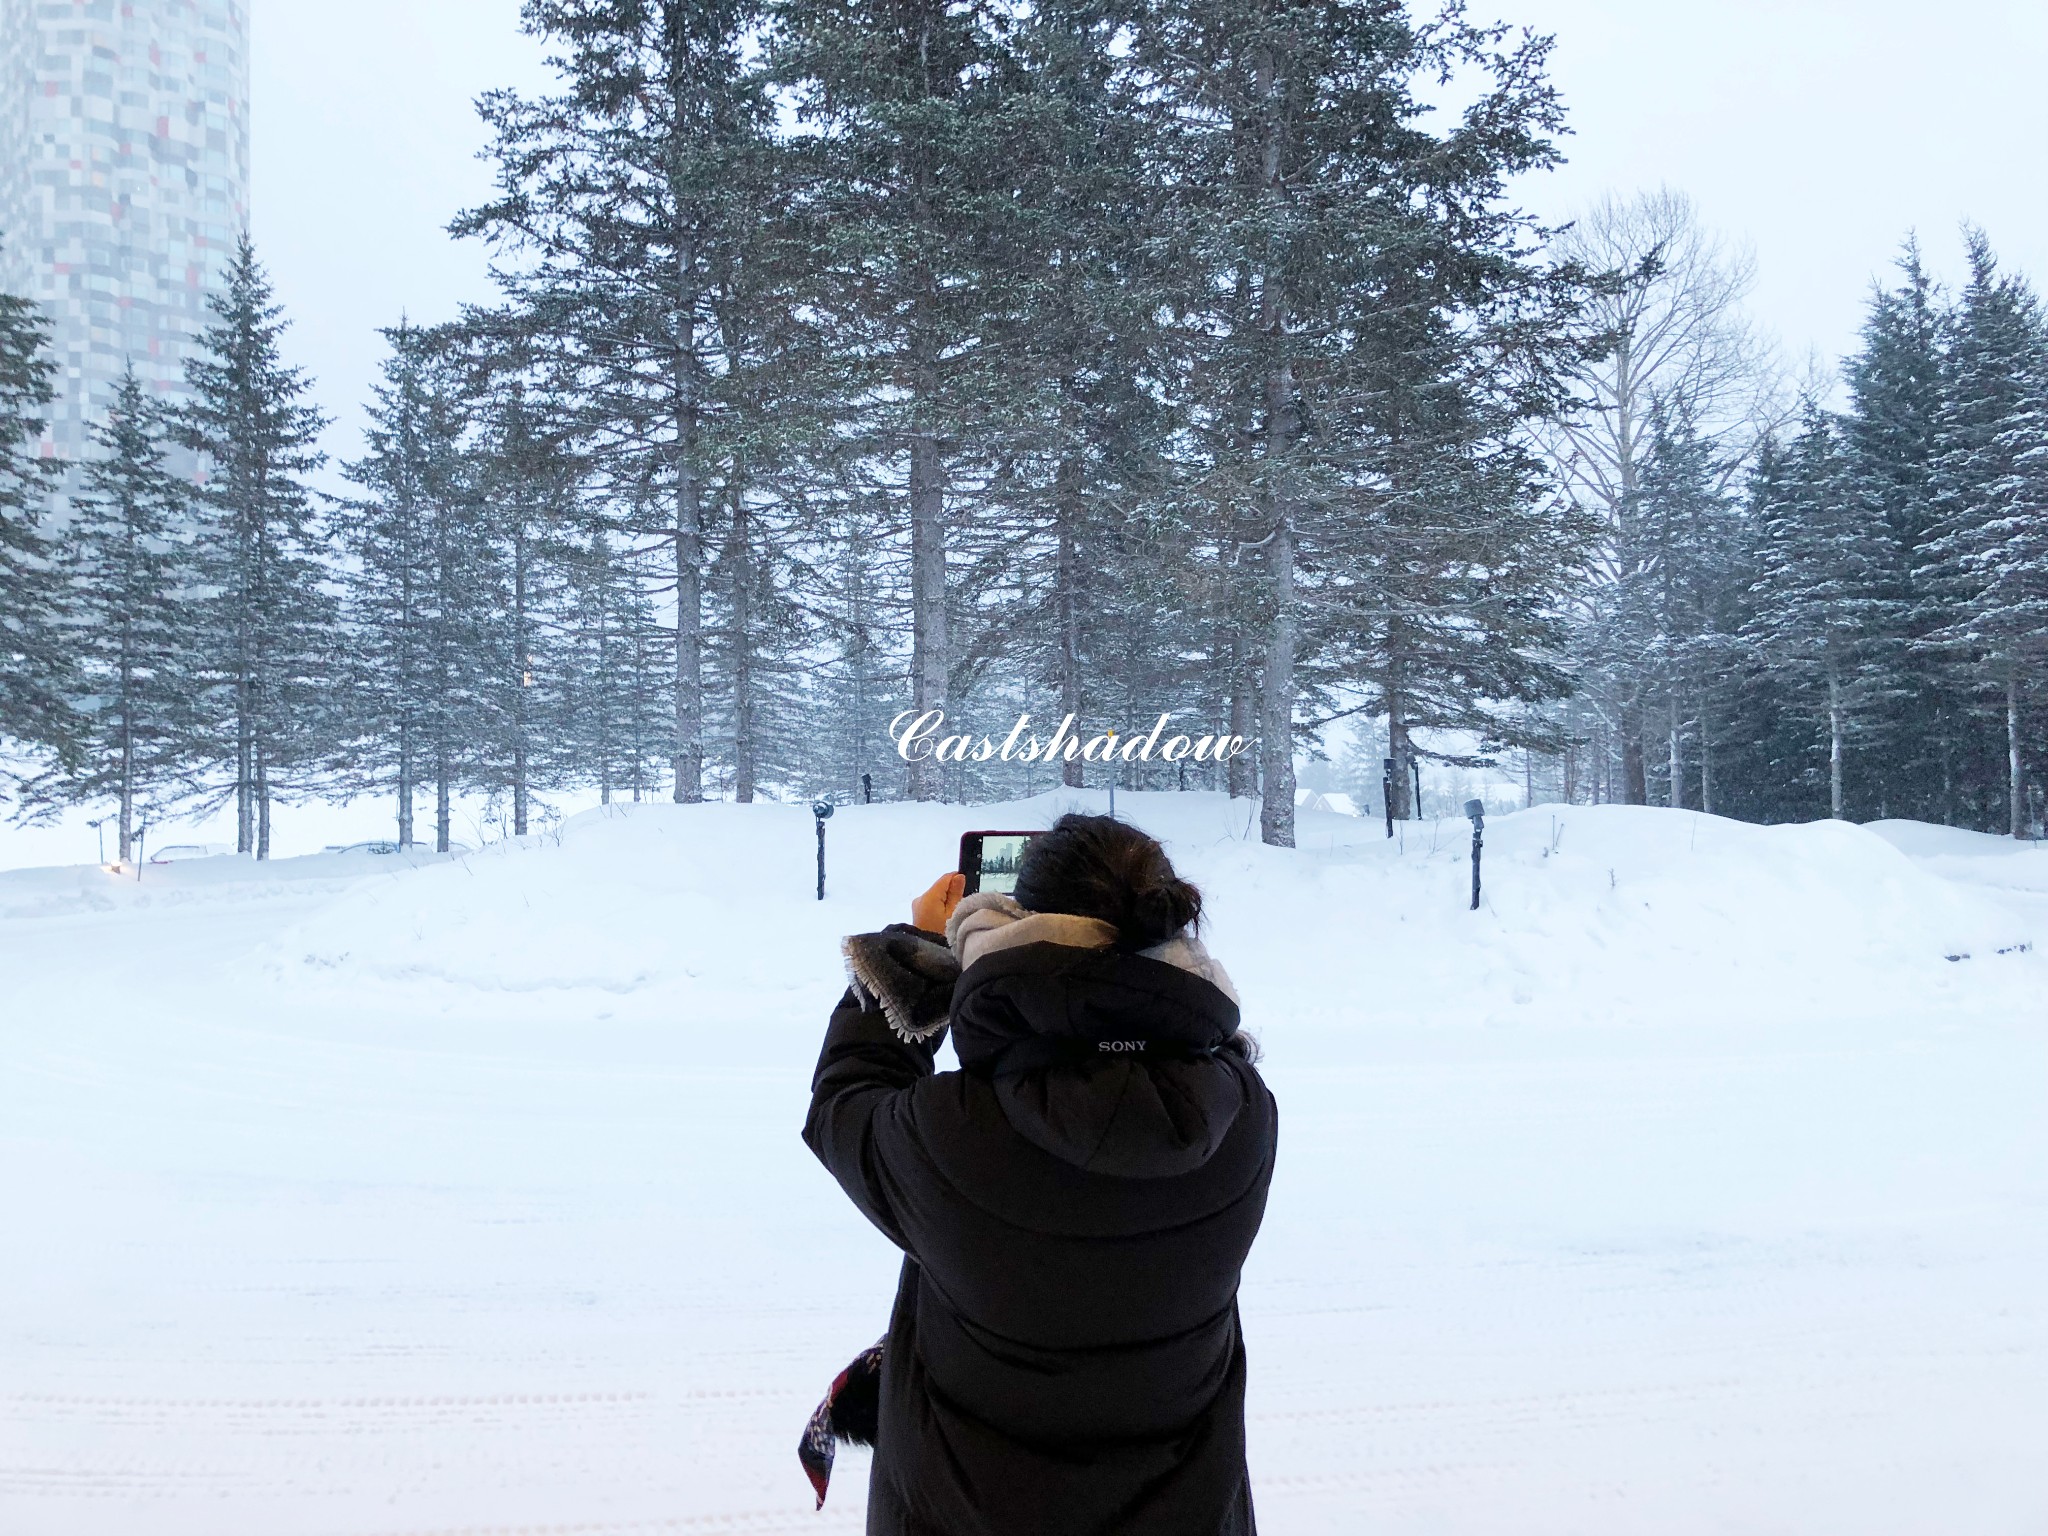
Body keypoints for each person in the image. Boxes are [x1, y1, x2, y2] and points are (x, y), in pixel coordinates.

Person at [802, 813, 1278, 1535]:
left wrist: (923, 950)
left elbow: (844, 1104)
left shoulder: (951, 1131)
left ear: (1011, 924)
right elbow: (1170, 1037)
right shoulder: (1243, 1117)